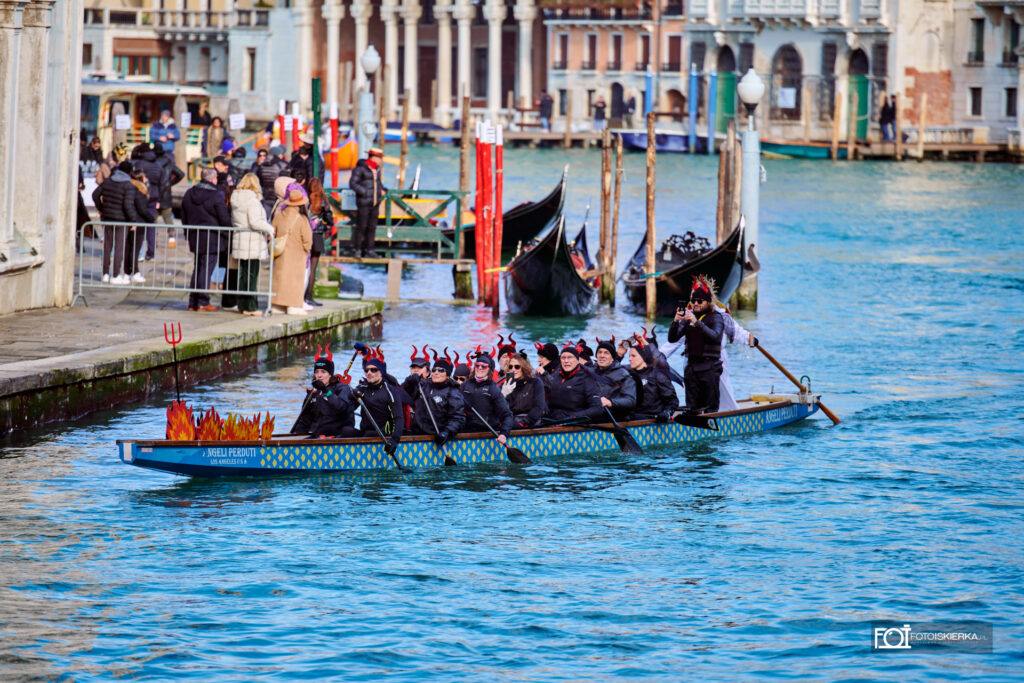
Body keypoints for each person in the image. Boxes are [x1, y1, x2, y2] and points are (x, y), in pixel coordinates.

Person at [668, 277, 725, 414]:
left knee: (710, 407)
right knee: (692, 407)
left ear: (708, 302)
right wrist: (675, 322)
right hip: (692, 368)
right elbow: (672, 338)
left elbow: (715, 336)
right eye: (693, 301)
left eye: (699, 301)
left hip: (709, 367)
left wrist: (697, 322)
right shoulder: (689, 317)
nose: (695, 304)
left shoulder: (716, 317)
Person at [181, 167, 230, 312]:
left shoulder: (189, 193)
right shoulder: (216, 195)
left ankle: (193, 301)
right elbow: (224, 218)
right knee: (206, 269)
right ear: (213, 179)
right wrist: (229, 232)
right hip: (212, 237)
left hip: (195, 235)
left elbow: (183, 214)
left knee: (198, 268)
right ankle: (202, 301)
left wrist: (187, 232)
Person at [229, 173, 275, 316]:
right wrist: (270, 229)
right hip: (252, 241)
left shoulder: (236, 199)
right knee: (252, 275)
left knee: (243, 275)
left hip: (240, 239)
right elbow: (255, 222)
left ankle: (242, 305)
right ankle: (251, 306)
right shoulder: (252, 201)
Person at [92, 160, 142, 285]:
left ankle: (105, 274)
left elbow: (95, 195)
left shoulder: (108, 181)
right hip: (122, 220)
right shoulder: (128, 185)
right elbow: (128, 205)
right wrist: (133, 221)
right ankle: (115, 275)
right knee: (119, 247)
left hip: (108, 217)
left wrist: (102, 208)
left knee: (107, 246)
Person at [291, 350, 357, 438]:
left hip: (340, 436)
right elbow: (304, 421)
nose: (319, 375)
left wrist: (326, 391)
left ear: (330, 374)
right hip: (319, 435)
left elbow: (341, 407)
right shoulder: (313, 393)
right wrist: (295, 437)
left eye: (323, 372)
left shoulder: (343, 388)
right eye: (317, 372)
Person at [270, 185, 313, 316]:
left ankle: (277, 305)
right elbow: (307, 240)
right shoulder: (302, 219)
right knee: (294, 280)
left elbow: (273, 231)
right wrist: (306, 251)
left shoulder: (279, 215)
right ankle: (293, 305)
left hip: (280, 252)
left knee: (280, 279)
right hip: (297, 255)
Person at [353, 356, 403, 454]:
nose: (369, 373)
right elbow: (346, 409)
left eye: (374, 370)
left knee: (368, 434)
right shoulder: (362, 388)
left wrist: (395, 440)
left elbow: (398, 418)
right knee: (346, 431)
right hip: (366, 431)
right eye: (366, 370)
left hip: (385, 433)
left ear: (381, 373)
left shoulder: (391, 391)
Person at [461, 353, 513, 441]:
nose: (480, 368)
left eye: (484, 366)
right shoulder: (465, 385)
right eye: (477, 365)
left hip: (486, 431)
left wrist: (504, 434)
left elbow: (507, 415)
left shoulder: (493, 388)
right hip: (467, 429)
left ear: (489, 369)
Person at [412, 359, 466, 444]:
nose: (436, 372)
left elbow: (458, 418)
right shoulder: (422, 385)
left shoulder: (453, 393)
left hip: (437, 436)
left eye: (441, 370)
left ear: (447, 376)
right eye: (434, 370)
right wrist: (409, 381)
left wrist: (447, 432)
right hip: (416, 435)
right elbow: (404, 394)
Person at [544, 346, 603, 422]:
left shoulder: (587, 379)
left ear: (577, 360)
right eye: (563, 358)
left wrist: (575, 416)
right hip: (551, 420)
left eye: (570, 357)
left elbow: (597, 409)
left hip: (573, 422)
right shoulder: (554, 376)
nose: (566, 361)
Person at [349, 147, 386, 257]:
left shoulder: (377, 169)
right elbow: (353, 184)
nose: (381, 160)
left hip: (375, 202)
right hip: (364, 202)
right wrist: (364, 192)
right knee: (362, 226)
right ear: (374, 158)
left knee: (372, 226)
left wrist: (383, 190)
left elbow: (378, 184)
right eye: (380, 158)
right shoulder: (360, 169)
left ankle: (370, 250)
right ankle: (358, 250)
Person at [627, 344, 677, 421]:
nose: (629, 359)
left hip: (653, 418)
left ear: (643, 356)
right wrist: (619, 355)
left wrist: (667, 412)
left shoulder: (659, 375)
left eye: (633, 356)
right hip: (633, 417)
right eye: (629, 356)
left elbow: (672, 401)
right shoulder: (627, 374)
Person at [132, 143, 163, 262]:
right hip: (154, 195)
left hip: (141, 195)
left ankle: (138, 252)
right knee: (151, 224)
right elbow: (161, 182)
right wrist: (159, 199)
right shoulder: (157, 164)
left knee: (139, 223)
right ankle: (151, 252)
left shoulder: (138, 164)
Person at [305, 178, 333, 308]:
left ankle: (301, 295)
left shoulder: (305, 199)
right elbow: (329, 218)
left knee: (303, 267)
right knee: (313, 267)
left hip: (305, 234)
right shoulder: (323, 199)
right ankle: (309, 296)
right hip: (317, 235)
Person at [123, 167, 155, 284]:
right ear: (141, 178)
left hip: (131, 221)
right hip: (138, 222)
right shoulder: (139, 191)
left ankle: (127, 273)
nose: (146, 179)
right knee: (134, 249)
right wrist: (151, 219)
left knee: (129, 248)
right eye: (144, 177)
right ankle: (134, 272)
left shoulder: (129, 188)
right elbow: (142, 209)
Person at [592, 340, 637, 419]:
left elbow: (630, 401)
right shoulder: (589, 372)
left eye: (606, 353)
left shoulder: (624, 375)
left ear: (612, 358)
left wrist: (610, 402)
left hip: (615, 417)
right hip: (594, 415)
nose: (602, 355)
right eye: (599, 352)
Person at [502, 353, 547, 428]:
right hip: (511, 421)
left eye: (517, 367)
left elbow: (538, 408)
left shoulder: (535, 383)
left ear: (524, 367)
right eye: (510, 367)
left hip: (530, 422)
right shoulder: (505, 386)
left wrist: (524, 422)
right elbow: (499, 410)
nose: (513, 369)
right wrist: (503, 395)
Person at [154, 146, 185, 248]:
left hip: (155, 194)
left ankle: (154, 240)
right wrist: (170, 183)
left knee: (153, 219)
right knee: (168, 217)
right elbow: (181, 174)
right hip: (166, 195)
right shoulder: (169, 163)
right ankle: (171, 237)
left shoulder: (153, 164)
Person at [258, 146, 290, 216]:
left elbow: (260, 180)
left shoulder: (262, 165)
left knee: (266, 216)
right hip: (278, 195)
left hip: (265, 194)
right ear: (277, 154)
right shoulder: (282, 165)